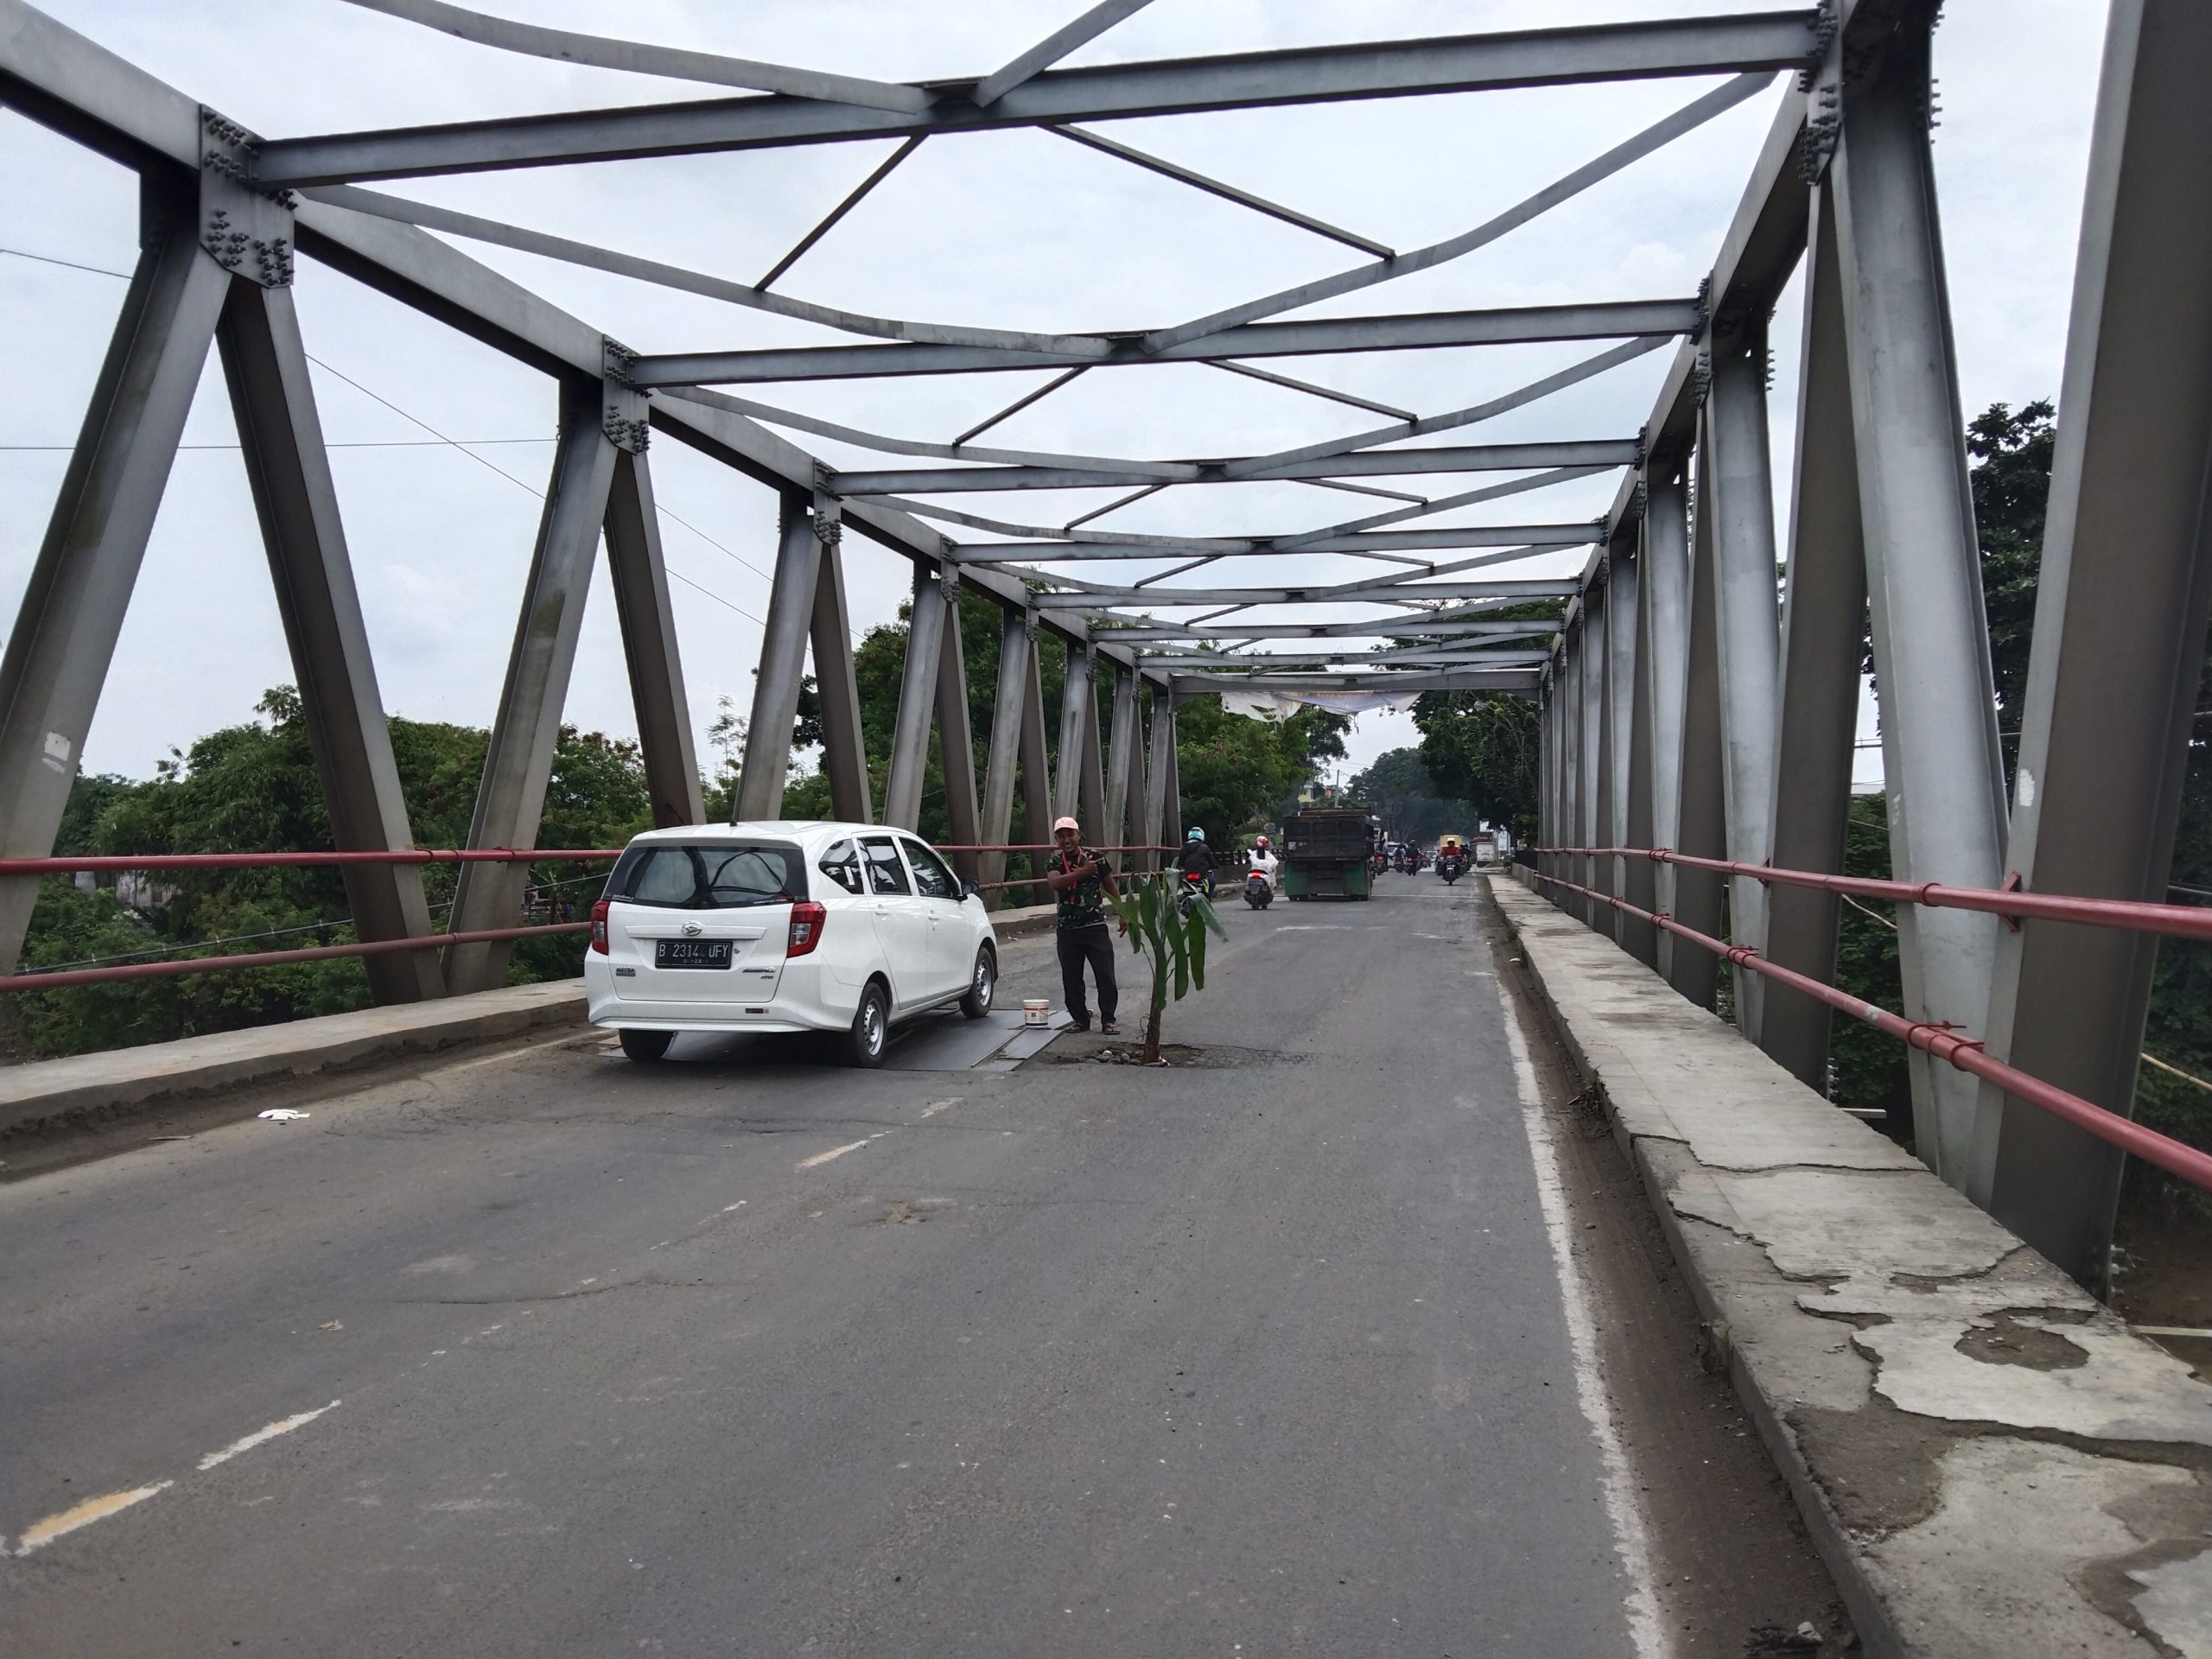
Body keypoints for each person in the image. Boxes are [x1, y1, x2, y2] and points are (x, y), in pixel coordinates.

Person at [1045, 815, 1125, 1033]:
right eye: (1061, 836)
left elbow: (1109, 885)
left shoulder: (1096, 857)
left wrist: (1122, 913)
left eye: (1070, 834)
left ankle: (1108, 1020)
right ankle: (1080, 1020)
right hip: (1068, 930)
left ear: (1078, 835)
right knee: (1071, 978)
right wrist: (1081, 872)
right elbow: (1055, 883)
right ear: (1057, 840)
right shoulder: (1054, 862)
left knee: (1105, 975)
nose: (1066, 839)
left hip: (1095, 927)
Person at [1178, 825, 1217, 896]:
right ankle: (1209, 899)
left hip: (1188, 873)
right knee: (1212, 882)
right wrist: (1215, 866)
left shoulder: (1184, 848)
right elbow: (1211, 861)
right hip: (1202, 873)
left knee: (1183, 882)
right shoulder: (1204, 848)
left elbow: (1181, 862)